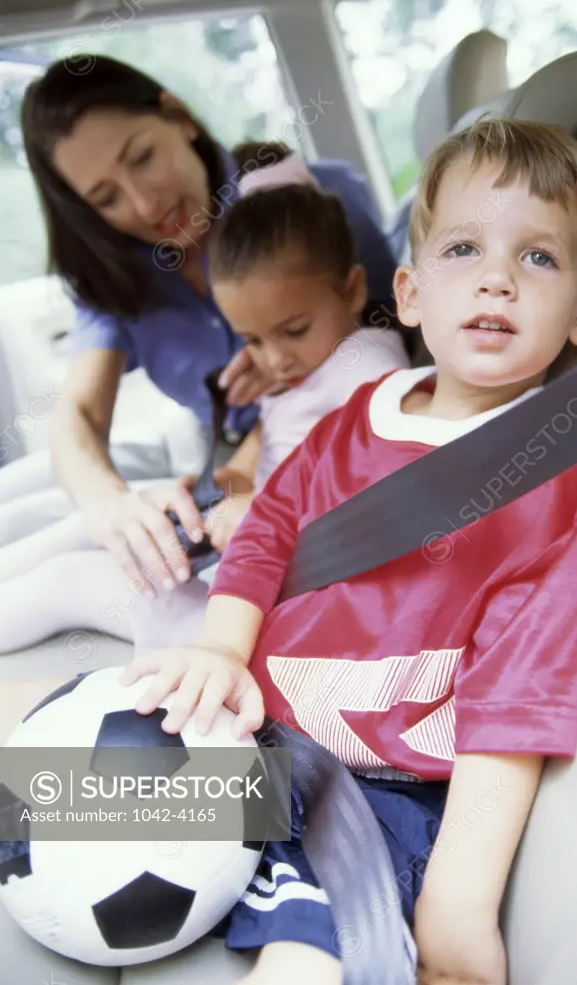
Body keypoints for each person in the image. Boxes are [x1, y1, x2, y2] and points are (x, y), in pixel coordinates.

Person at [1, 115, 577, 984]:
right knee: (50, 743)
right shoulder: (350, 421)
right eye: (464, 250)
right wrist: (218, 646)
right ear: (409, 294)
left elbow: (517, 691)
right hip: (255, 729)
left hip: (374, 790)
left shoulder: (558, 479)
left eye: (539, 258)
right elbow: (264, 537)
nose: (496, 280)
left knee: (304, 953)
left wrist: (461, 901)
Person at [0, 55, 397, 590]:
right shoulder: (116, 277)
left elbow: (407, 330)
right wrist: (110, 506)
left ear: (179, 117)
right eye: (107, 198)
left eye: (142, 157)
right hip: (207, 450)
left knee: (58, 569)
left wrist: (308, 358)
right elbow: (76, 415)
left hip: (291, 460)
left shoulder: (310, 201)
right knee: (20, 502)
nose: (144, 204)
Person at [0, 184, 409, 655]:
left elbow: (367, 492)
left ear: (353, 290)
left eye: (294, 331)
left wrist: (260, 510)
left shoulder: (371, 370)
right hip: (243, 569)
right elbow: (249, 461)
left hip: (276, 616)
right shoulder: (303, 375)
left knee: (69, 579)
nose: (274, 360)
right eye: (252, 341)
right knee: (94, 529)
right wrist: (217, 493)